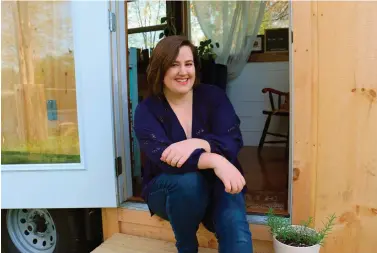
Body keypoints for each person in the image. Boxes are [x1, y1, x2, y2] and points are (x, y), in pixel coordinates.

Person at [133, 35, 252, 253]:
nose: (183, 72)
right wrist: (214, 159)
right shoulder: (147, 110)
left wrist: (199, 142)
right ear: (160, 69)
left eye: (188, 64)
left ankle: (212, 215)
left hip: (218, 184)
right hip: (169, 191)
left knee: (237, 234)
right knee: (188, 182)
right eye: (173, 65)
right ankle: (187, 246)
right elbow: (166, 160)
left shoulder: (213, 96)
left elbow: (233, 140)